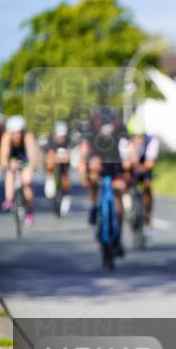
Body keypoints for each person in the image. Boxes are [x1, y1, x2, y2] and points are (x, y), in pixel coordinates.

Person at [78, 109, 127, 255]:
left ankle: (118, 236)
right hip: (97, 162)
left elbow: (129, 151)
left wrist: (129, 168)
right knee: (93, 171)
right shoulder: (91, 131)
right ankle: (94, 206)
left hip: (115, 164)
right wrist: (83, 175)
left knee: (119, 193)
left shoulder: (121, 129)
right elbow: (84, 154)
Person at [121, 116, 160, 237]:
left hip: (144, 165)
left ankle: (147, 220)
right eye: (135, 136)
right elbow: (125, 164)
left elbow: (150, 163)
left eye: (141, 136)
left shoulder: (152, 141)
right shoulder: (123, 142)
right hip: (131, 165)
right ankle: (127, 206)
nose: (139, 139)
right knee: (125, 180)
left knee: (148, 187)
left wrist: (141, 167)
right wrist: (133, 154)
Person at [0, 115, 36, 226]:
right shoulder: (6, 137)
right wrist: (5, 165)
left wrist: (30, 166)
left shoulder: (28, 137)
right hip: (13, 159)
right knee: (10, 173)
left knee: (27, 182)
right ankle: (9, 199)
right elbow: (4, 155)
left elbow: (31, 155)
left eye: (19, 132)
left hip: (26, 160)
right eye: (14, 133)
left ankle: (29, 210)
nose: (17, 135)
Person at [43, 120, 73, 216]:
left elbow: (69, 153)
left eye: (62, 136)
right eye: (59, 136)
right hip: (54, 159)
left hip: (64, 162)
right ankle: (50, 178)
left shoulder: (69, 140)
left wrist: (65, 158)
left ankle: (66, 197)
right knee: (50, 162)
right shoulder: (50, 139)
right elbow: (49, 153)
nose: (60, 139)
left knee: (65, 178)